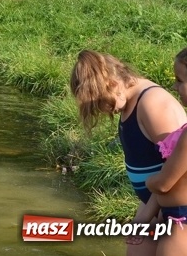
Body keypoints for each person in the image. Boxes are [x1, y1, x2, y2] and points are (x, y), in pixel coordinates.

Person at [71, 49, 187, 256]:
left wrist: (146, 218)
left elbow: (176, 176)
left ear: (113, 84)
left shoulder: (153, 105)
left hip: (171, 211)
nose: (105, 110)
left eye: (102, 102)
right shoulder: (131, 103)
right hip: (155, 206)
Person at [145, 47, 187, 255]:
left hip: (181, 227)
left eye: (180, 80)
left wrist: (149, 181)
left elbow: (163, 184)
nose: (174, 86)